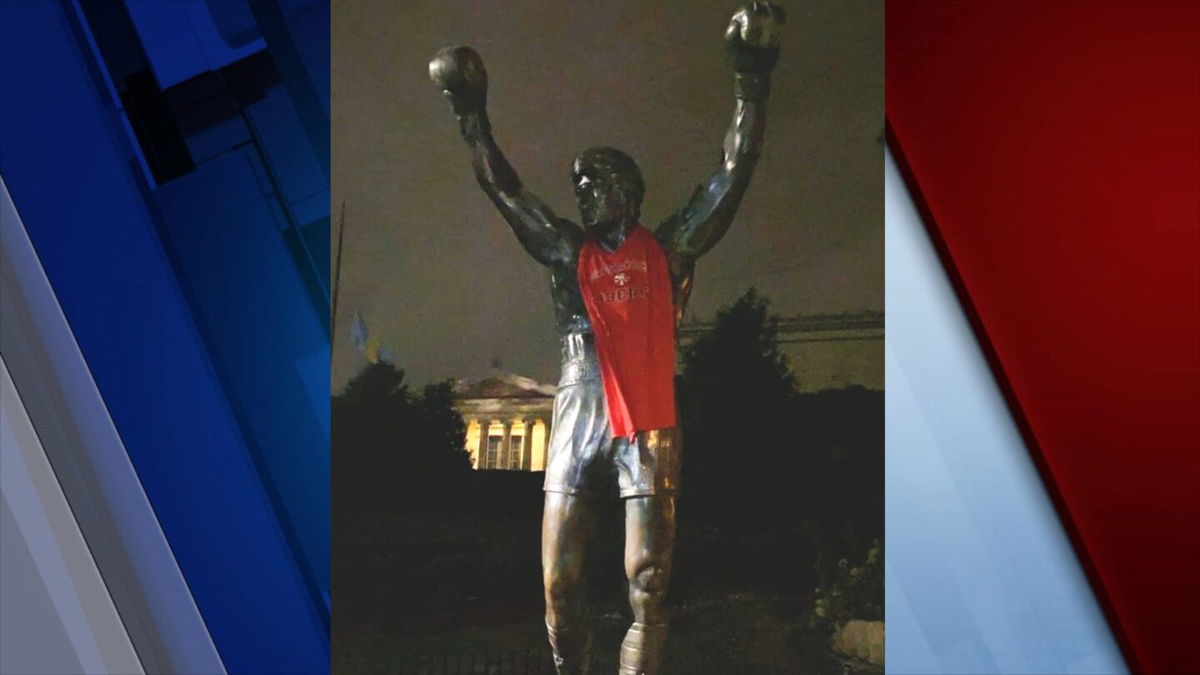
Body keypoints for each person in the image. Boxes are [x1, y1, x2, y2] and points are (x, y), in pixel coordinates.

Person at [429, 3, 783, 672]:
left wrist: (751, 74)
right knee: (559, 585)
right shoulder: (567, 252)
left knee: (647, 580)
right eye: (578, 184)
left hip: (648, 419)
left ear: (629, 190)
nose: (583, 191)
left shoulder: (672, 246)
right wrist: (470, 112)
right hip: (578, 407)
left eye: (595, 181)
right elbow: (504, 189)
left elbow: (734, 170)